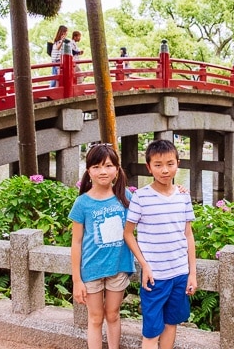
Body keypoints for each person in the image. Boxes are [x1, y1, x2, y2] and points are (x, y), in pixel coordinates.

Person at [123, 139, 197, 349]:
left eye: (170, 164)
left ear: (178, 164)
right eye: (158, 165)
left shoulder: (183, 196)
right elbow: (128, 234)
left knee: (171, 322)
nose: (165, 170)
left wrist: (192, 273)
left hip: (180, 274)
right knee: (151, 330)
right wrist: (144, 265)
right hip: (154, 276)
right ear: (149, 167)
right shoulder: (141, 197)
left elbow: (188, 235)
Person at [69, 143, 135, 349]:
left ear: (117, 169)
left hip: (118, 267)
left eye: (108, 166)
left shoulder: (126, 198)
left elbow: (152, 204)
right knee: (96, 318)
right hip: (91, 269)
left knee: (113, 315)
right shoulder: (82, 203)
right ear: (88, 171)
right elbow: (77, 242)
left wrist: (177, 190)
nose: (103, 171)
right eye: (96, 167)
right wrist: (77, 280)